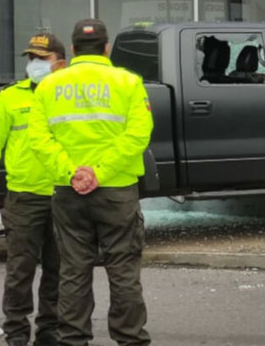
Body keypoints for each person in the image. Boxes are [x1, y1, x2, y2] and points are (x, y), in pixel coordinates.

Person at [27, 19, 153, 346]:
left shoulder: (49, 87)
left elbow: (39, 139)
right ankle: (130, 340)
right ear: (107, 47)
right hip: (117, 192)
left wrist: (73, 172)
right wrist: (100, 171)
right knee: (123, 271)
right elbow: (138, 135)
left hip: (69, 193)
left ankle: (72, 340)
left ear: (71, 50)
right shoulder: (128, 82)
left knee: (73, 272)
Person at [0, 33, 67, 346]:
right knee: (20, 270)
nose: (35, 64)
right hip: (24, 196)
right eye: (32, 58)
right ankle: (15, 332)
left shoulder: (70, 95)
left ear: (60, 62)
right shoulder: (11, 97)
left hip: (65, 195)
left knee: (60, 269)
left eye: (43, 58)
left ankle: (49, 330)